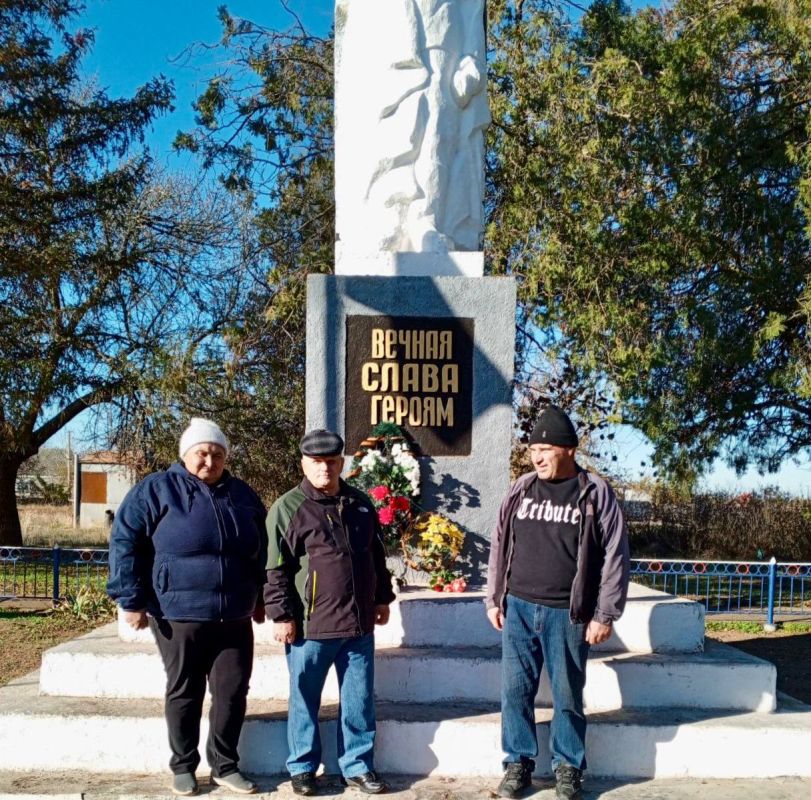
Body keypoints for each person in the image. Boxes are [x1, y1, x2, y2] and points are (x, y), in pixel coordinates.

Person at [107, 418, 268, 797]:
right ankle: (183, 766)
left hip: (234, 614)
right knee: (185, 690)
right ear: (185, 455)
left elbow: (260, 549)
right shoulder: (156, 490)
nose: (209, 461)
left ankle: (225, 766)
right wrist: (131, 600)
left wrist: (260, 598)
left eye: (217, 454)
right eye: (202, 453)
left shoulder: (242, 495)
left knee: (232, 691)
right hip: (178, 612)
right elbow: (125, 542)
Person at [485, 405, 630, 800]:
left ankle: (568, 766)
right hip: (517, 608)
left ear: (569, 449)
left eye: (546, 448)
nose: (538, 456)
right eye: (534, 448)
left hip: (567, 613)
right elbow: (500, 543)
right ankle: (518, 764)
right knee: (515, 691)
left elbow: (615, 554)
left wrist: (605, 613)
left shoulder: (594, 492)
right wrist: (494, 598)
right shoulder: (521, 488)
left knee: (567, 694)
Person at [264, 429, 395, 796]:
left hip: (358, 625)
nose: (325, 468)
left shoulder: (360, 503)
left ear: (341, 462)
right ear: (304, 463)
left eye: (331, 461)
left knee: (359, 700)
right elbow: (276, 569)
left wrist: (381, 598)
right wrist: (281, 615)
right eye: (316, 461)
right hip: (310, 627)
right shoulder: (288, 508)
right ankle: (303, 768)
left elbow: (376, 555)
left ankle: (356, 766)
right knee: (304, 697)